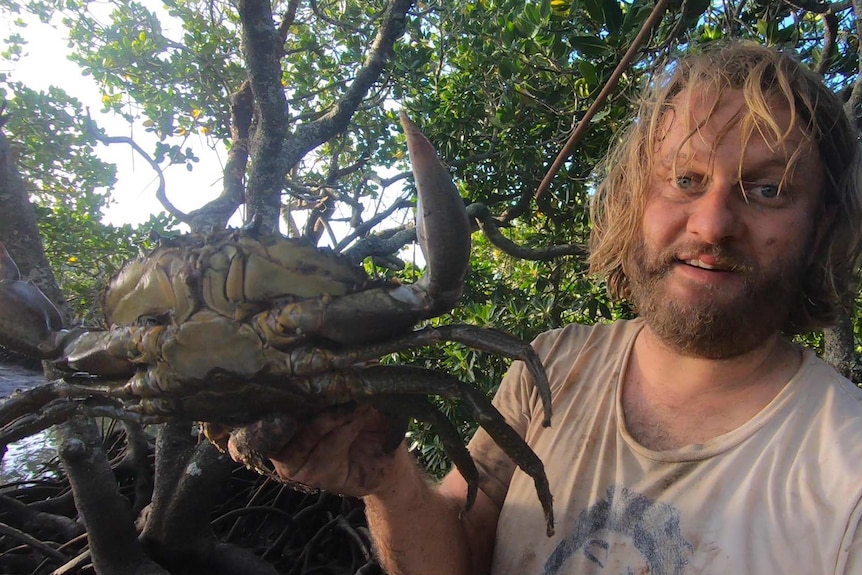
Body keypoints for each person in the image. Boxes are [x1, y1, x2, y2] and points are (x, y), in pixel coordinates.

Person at [230, 41, 862, 574]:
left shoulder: (846, 473)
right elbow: (458, 552)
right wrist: (386, 478)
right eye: (686, 179)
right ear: (637, 197)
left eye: (768, 189)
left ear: (821, 225)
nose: (714, 223)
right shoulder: (554, 364)